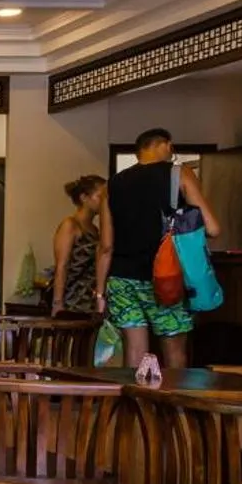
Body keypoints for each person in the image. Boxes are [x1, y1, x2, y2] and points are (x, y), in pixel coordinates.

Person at [95, 129, 220, 370]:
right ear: (166, 145)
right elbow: (213, 228)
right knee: (174, 350)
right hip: (166, 276)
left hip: (122, 279)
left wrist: (100, 294)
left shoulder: (112, 185)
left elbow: (106, 246)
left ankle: (134, 395)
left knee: (134, 349)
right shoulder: (179, 173)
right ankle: (174, 395)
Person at [51, 175, 106, 315]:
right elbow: (61, 265)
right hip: (71, 299)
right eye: (100, 197)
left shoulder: (95, 230)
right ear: (84, 198)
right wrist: (58, 303)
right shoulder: (70, 225)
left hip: (89, 300)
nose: (104, 201)